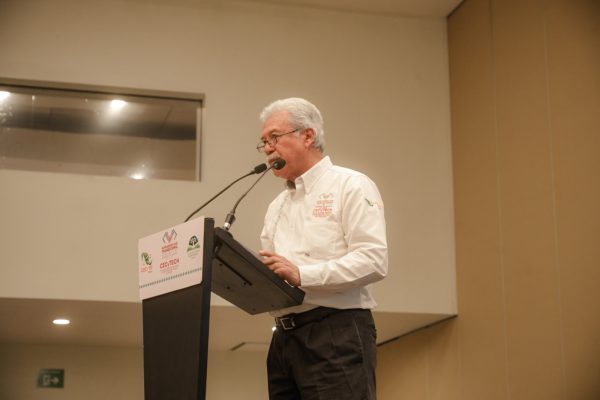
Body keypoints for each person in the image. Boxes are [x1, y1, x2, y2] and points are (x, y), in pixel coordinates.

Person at [257, 97, 388, 400]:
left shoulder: (350, 185)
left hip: (335, 332)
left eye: (274, 137)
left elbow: (374, 260)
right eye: (263, 142)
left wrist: (302, 274)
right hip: (283, 339)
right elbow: (277, 272)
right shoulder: (276, 206)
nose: (267, 148)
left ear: (308, 135)